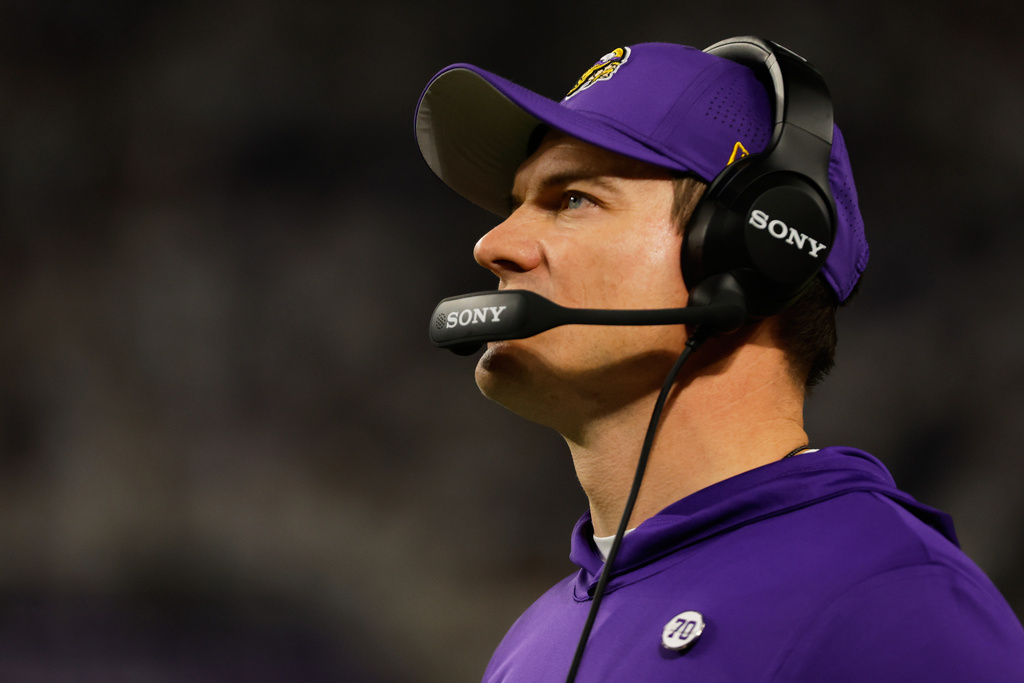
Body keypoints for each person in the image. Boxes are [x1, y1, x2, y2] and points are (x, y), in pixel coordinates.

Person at [414, 37, 1024, 681]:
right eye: (516, 204)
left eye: (572, 199)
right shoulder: (534, 642)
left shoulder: (894, 601)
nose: (492, 244)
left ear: (748, 253)